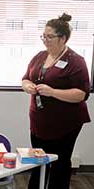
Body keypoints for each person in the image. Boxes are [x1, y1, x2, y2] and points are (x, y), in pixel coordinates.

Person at [22, 13, 91, 189]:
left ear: (63, 39)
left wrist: (53, 92)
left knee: (59, 162)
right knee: (38, 159)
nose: (45, 40)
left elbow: (81, 93)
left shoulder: (76, 61)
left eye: (50, 37)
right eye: (43, 36)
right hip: (39, 120)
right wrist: (28, 85)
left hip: (65, 123)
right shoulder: (39, 56)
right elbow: (25, 79)